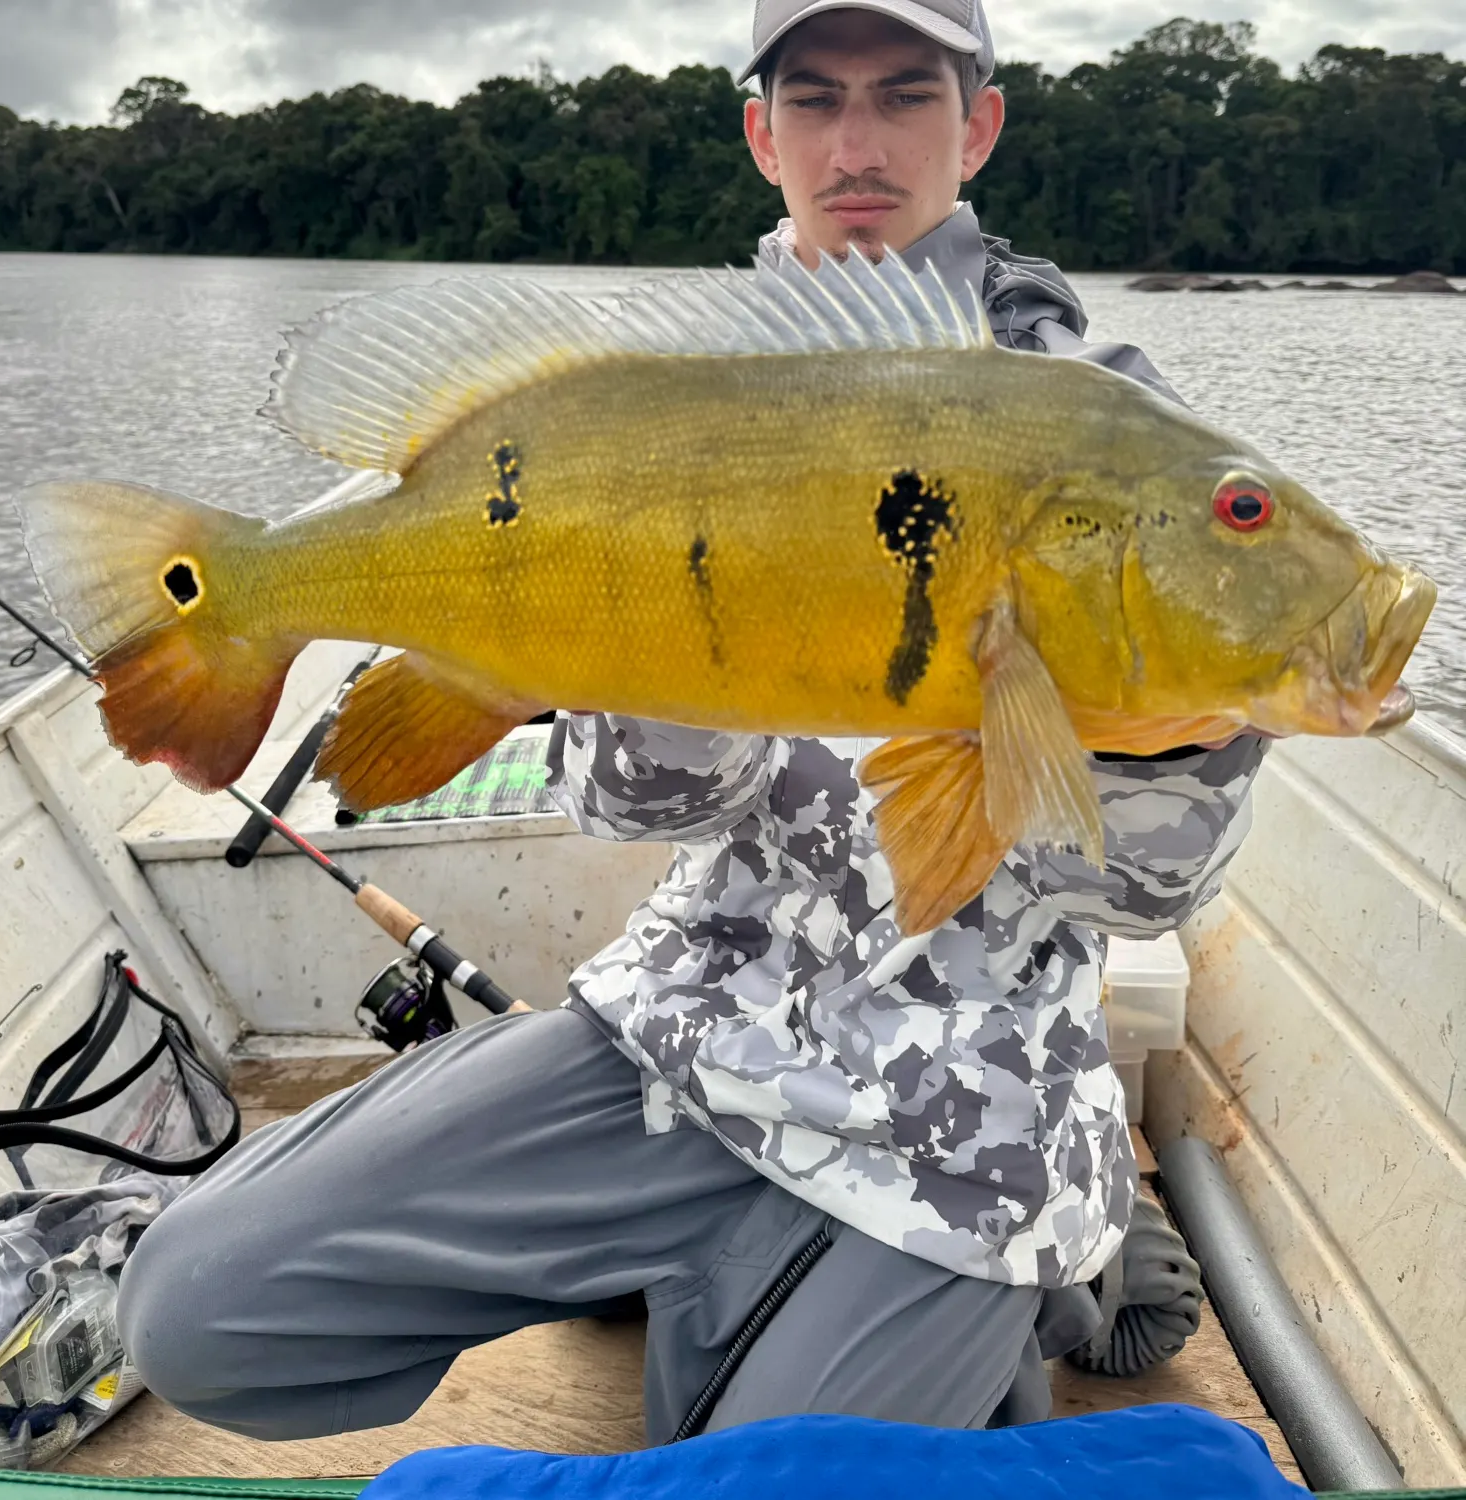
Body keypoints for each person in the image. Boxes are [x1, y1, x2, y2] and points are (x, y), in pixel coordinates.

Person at [118, 0, 1265, 1445]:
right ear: (760, 135)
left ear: (975, 124)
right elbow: (642, 811)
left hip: (965, 1112)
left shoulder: (1113, 438)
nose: (857, 144)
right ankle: (728, 1279)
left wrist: (1162, 733)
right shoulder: (660, 400)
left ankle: (1040, 1269)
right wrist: (534, 645)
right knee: (197, 1313)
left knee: (756, 1480)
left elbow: (1146, 889)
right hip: (690, 1028)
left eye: (905, 96)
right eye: (814, 100)